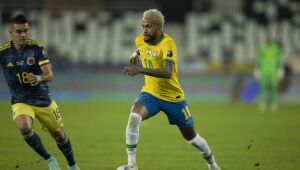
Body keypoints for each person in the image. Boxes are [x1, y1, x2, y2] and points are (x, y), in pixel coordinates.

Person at [117, 9, 221, 170]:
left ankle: (213, 165)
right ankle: (132, 165)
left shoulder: (168, 43)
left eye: (148, 27)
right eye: (143, 26)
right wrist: (135, 53)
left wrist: (140, 69)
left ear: (159, 28)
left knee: (193, 139)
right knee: (134, 117)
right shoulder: (141, 40)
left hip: (173, 98)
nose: (144, 30)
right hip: (150, 94)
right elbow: (142, 47)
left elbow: (167, 72)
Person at [0, 14, 80, 170]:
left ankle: (72, 164)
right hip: (20, 101)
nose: (23, 35)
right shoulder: (3, 51)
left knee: (59, 136)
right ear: (11, 32)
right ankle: (49, 159)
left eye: (26, 31)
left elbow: (49, 75)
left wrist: (38, 77)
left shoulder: (36, 48)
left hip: (43, 100)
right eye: (19, 31)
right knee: (23, 126)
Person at [254, 34, 284, 112]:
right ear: (265, 40)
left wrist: (280, 70)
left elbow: (279, 59)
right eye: (267, 39)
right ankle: (262, 104)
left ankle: (274, 104)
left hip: (273, 71)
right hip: (264, 71)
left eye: (269, 39)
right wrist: (257, 69)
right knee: (263, 88)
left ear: (271, 40)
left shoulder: (276, 48)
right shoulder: (262, 48)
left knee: (274, 88)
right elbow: (258, 59)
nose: (268, 40)